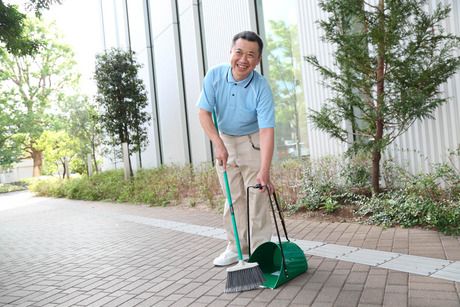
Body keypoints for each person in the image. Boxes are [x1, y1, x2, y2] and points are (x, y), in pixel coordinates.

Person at [197, 31, 275, 266]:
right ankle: (236, 248)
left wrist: (265, 170)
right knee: (234, 199)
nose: (244, 59)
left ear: (258, 60)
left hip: (253, 142)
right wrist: (218, 144)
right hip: (225, 141)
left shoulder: (260, 87)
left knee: (256, 197)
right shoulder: (214, 76)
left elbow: (267, 131)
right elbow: (204, 112)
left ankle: (260, 252)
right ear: (230, 52)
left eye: (251, 55)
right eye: (239, 52)